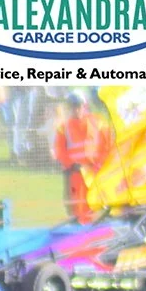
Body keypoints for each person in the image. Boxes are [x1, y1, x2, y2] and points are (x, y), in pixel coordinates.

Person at [51, 91, 110, 221]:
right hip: (76, 173)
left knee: (104, 202)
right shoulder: (63, 128)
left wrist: (100, 163)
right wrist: (71, 164)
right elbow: (60, 151)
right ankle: (82, 226)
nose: (76, 110)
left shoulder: (99, 122)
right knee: (78, 206)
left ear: (85, 105)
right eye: (72, 107)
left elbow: (107, 144)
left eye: (78, 106)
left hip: (97, 171)